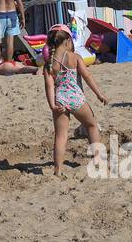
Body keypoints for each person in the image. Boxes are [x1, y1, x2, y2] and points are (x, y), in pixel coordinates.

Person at [42, 28, 106, 176]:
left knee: (60, 136)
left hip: (60, 100)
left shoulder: (49, 64)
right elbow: (87, 76)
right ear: (67, 41)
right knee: (91, 125)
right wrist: (99, 94)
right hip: (76, 98)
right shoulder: (75, 57)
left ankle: (57, 169)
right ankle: (97, 160)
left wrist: (52, 105)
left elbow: (49, 86)